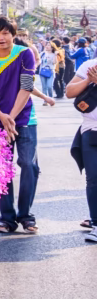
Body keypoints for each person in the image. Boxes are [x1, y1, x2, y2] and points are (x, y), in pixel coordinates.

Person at [0, 16, 39, 234]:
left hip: (24, 120)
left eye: (6, 33)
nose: (1, 38)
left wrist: (10, 117)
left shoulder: (24, 54)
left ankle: (26, 216)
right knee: (2, 169)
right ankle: (7, 219)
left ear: (13, 35)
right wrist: (1, 117)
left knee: (29, 165)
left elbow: (26, 86)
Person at [67, 55, 97, 242]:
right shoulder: (89, 65)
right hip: (91, 130)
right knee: (93, 178)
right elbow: (69, 91)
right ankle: (96, 223)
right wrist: (89, 80)